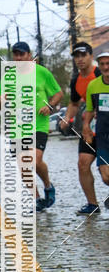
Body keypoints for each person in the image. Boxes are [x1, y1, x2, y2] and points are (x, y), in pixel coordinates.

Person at [0, 41, 63, 212]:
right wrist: (0, 101)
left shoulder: (42, 73)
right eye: (16, 55)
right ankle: (37, 199)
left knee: (34, 160)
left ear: (29, 56)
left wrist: (50, 106)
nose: (18, 58)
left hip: (39, 123)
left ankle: (48, 185)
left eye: (22, 54)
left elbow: (58, 93)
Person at [60, 41, 101, 215]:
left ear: (91, 56)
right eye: (76, 56)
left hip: (106, 127)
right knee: (83, 164)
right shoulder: (76, 79)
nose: (80, 59)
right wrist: (67, 116)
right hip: (89, 129)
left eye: (83, 55)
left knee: (105, 171)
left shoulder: (101, 72)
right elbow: (74, 103)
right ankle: (92, 204)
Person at [83, 51, 109, 210]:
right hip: (103, 137)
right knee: (106, 176)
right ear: (98, 66)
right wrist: (86, 126)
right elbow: (90, 110)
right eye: (103, 64)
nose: (106, 67)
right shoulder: (93, 85)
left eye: (108, 63)